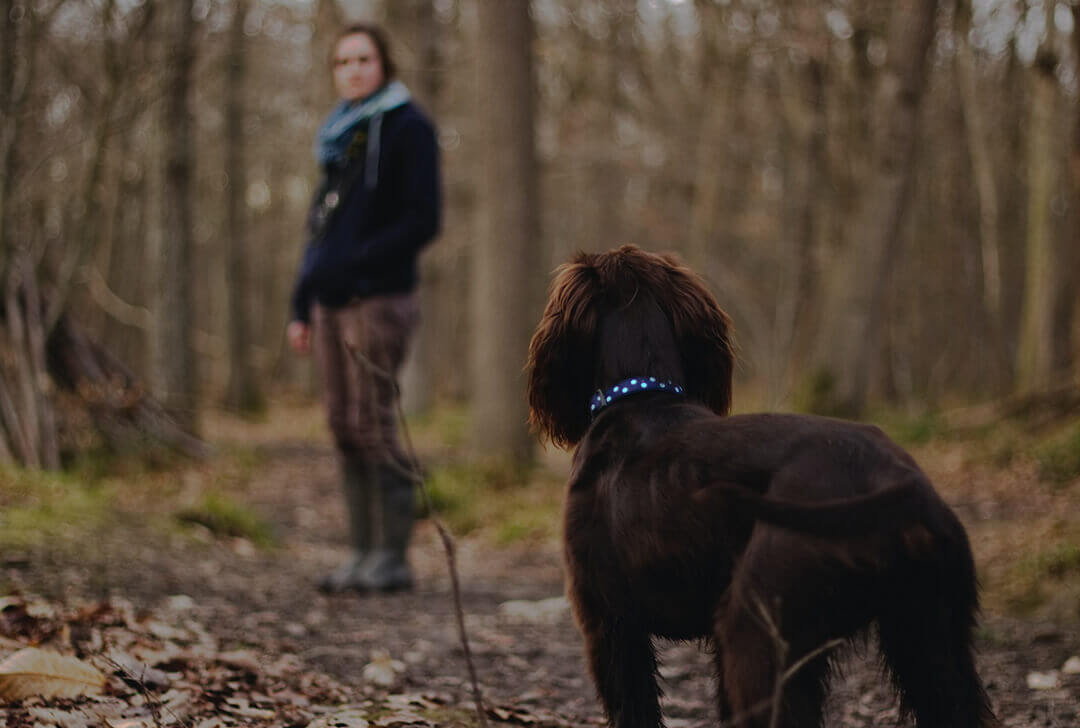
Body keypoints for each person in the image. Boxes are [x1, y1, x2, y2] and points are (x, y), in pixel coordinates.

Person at [288, 22, 441, 593]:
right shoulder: (339, 138)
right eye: (343, 61)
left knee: (375, 422)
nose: (352, 69)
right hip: (328, 304)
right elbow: (318, 231)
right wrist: (300, 304)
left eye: (363, 59)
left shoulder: (408, 128)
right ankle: (360, 552)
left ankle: (392, 557)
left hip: (378, 299)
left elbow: (423, 219)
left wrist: (358, 263)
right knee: (342, 424)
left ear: (384, 64)